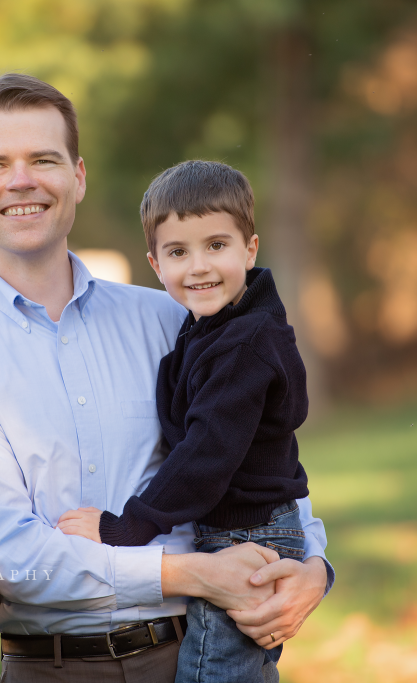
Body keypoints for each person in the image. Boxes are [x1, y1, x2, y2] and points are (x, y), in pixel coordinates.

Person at [0, 73, 333, 683]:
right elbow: (18, 553)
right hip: (53, 669)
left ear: (78, 176)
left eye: (43, 159)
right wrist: (188, 573)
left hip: (200, 650)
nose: (21, 180)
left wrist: (314, 565)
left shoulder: (169, 316)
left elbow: (258, 451)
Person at [58, 160, 311, 682]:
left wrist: (125, 526)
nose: (198, 267)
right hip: (237, 532)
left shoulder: (244, 344)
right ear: (155, 263)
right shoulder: (207, 330)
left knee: (210, 673)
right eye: (178, 252)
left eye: (216, 246)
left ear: (250, 249)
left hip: (249, 538)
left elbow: (205, 453)